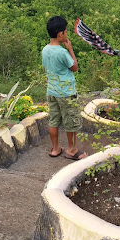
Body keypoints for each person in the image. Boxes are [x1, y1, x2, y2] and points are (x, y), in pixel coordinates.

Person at [42, 16, 87, 160]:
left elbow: (45, 70)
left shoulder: (45, 50)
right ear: (60, 34)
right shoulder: (62, 52)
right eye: (66, 32)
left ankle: (55, 149)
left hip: (52, 90)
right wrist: (70, 49)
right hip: (66, 92)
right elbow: (74, 67)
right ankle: (72, 150)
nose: (66, 34)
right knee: (71, 120)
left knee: (53, 120)